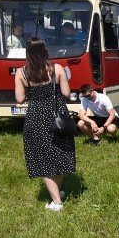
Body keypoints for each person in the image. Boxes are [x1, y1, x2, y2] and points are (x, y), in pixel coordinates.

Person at [14, 38, 75, 211]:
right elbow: (66, 93)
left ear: (28, 53)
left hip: (36, 118)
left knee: (42, 159)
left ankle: (56, 202)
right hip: (57, 116)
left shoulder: (22, 73)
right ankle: (58, 195)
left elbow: (19, 99)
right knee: (60, 153)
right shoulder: (57, 69)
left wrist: (32, 92)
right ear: (45, 51)